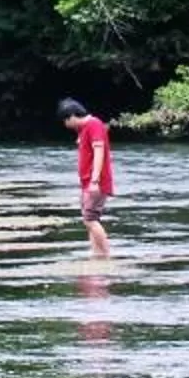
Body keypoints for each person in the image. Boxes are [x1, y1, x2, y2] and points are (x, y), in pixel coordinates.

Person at [59, 98, 113, 260]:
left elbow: (99, 152)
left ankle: (106, 255)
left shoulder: (94, 125)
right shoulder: (84, 129)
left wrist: (95, 181)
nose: (65, 125)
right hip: (87, 182)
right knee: (89, 220)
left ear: (71, 116)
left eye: (65, 120)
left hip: (95, 182)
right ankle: (97, 254)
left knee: (90, 219)